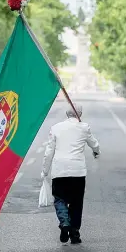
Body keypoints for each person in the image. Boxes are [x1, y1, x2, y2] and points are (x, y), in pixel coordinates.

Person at [41, 104, 100, 244]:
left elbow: (49, 152)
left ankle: (64, 222)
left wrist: (45, 171)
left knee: (60, 198)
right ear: (80, 114)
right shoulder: (84, 127)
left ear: (67, 115)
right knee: (76, 202)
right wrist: (96, 152)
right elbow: (94, 144)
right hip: (77, 171)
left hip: (59, 170)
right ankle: (75, 233)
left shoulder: (56, 128)